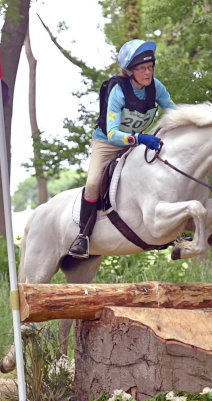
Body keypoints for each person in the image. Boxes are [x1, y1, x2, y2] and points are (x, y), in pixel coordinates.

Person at [68, 39, 176, 258]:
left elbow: (174, 112)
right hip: (107, 144)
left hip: (135, 143)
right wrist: (140, 138)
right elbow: (113, 134)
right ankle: (83, 235)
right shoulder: (117, 90)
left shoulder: (156, 87)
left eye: (150, 67)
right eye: (142, 68)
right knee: (93, 183)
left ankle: (173, 230)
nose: (148, 72)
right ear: (129, 71)